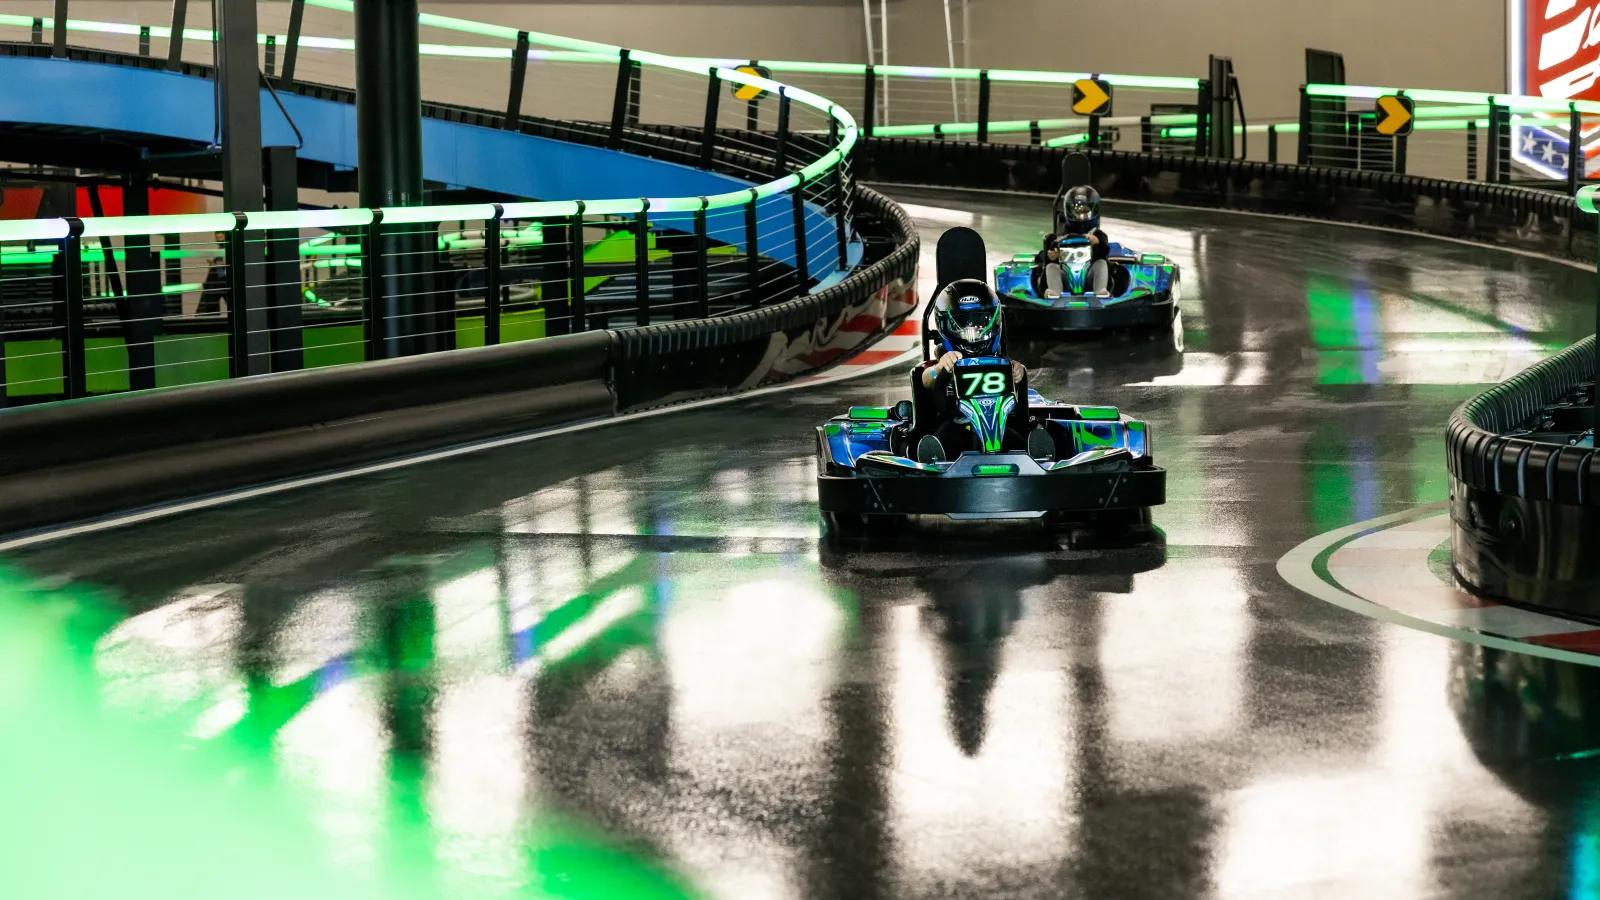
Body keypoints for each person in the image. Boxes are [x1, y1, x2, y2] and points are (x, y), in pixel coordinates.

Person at [911, 279, 1051, 464]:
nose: (973, 333)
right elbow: (926, 379)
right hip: (954, 427)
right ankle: (933, 462)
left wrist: (1017, 372)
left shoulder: (1002, 362)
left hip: (999, 428)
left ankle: (1040, 458)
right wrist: (940, 369)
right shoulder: (940, 363)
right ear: (945, 324)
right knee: (946, 437)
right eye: (964, 325)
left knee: (1016, 438)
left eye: (979, 323)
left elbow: (1017, 409)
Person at [1040, 185, 1111, 298]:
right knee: (1051, 267)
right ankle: (1054, 295)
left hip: (1089, 281)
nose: (1082, 216)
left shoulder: (1099, 236)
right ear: (1069, 211)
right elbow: (1044, 262)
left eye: (1085, 211)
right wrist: (1052, 257)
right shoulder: (1056, 238)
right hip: (1064, 281)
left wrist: (1096, 243)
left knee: (1101, 263)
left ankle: (1101, 293)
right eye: (1078, 211)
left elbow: (1105, 253)